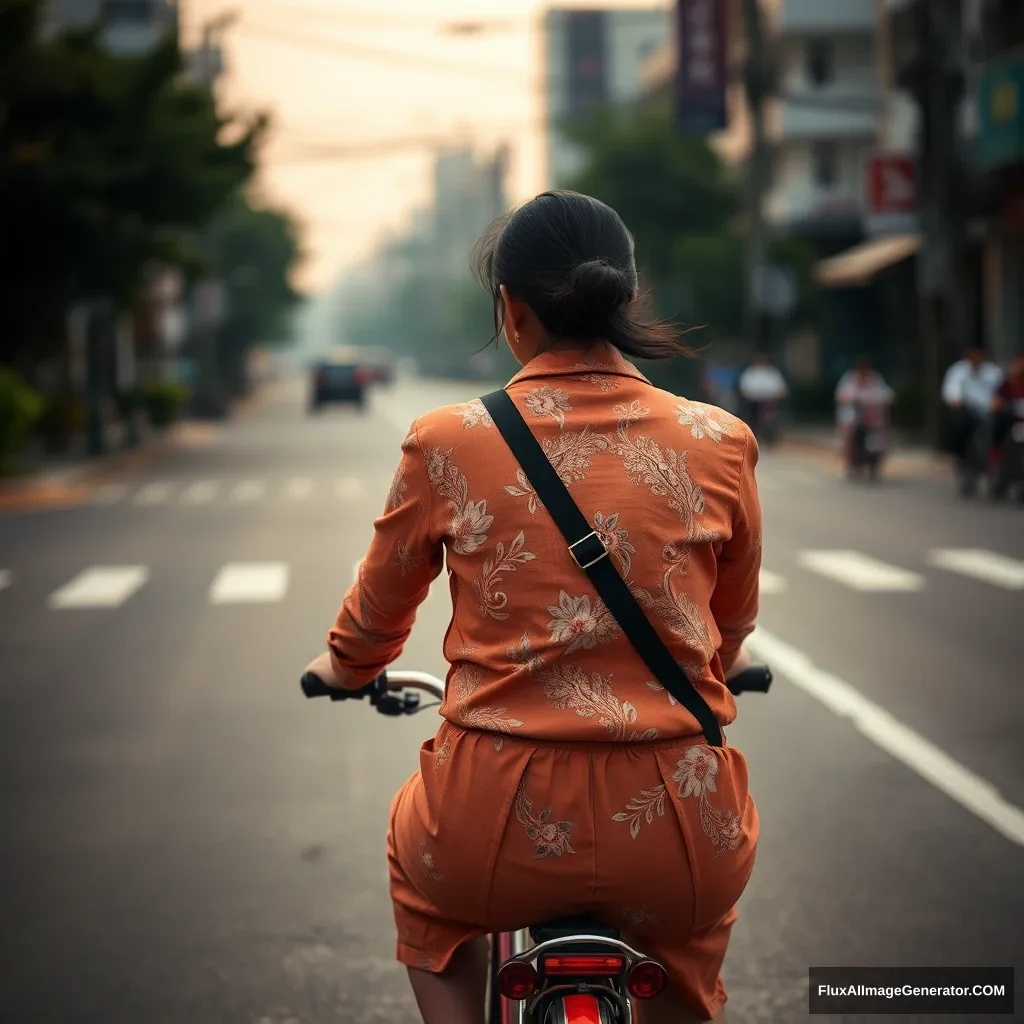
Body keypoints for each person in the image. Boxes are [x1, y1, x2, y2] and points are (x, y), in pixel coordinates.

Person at [303, 191, 761, 1024]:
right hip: (677, 829)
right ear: (626, 301)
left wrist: (345, 666)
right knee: (692, 937)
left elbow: (376, 615)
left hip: (491, 826)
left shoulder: (447, 441)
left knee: (426, 887)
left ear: (511, 311)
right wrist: (726, 660)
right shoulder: (720, 439)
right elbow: (728, 629)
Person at [941, 345, 1004, 476]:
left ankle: (998, 459)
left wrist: (998, 401)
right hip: (968, 410)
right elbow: (952, 391)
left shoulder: (994, 372)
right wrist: (956, 400)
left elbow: (1001, 392)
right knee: (958, 422)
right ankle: (961, 456)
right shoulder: (958, 370)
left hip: (990, 411)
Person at [834, 355, 894, 457]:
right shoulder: (849, 378)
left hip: (871, 413)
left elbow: (886, 392)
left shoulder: (875, 378)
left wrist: (888, 398)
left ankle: (885, 448)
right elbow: (840, 394)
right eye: (861, 369)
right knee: (848, 424)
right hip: (853, 412)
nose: (864, 372)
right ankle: (846, 448)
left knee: (884, 425)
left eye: (866, 369)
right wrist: (848, 399)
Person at [737, 352, 788, 441]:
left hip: (769, 402)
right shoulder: (750, 373)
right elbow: (744, 389)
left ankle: (770, 435)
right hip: (753, 403)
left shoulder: (772, 373)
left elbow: (781, 389)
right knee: (752, 415)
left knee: (771, 416)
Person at [991, 353, 1024, 452]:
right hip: (1012, 419)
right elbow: (995, 404)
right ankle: (996, 452)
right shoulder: (1006, 385)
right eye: (1017, 365)